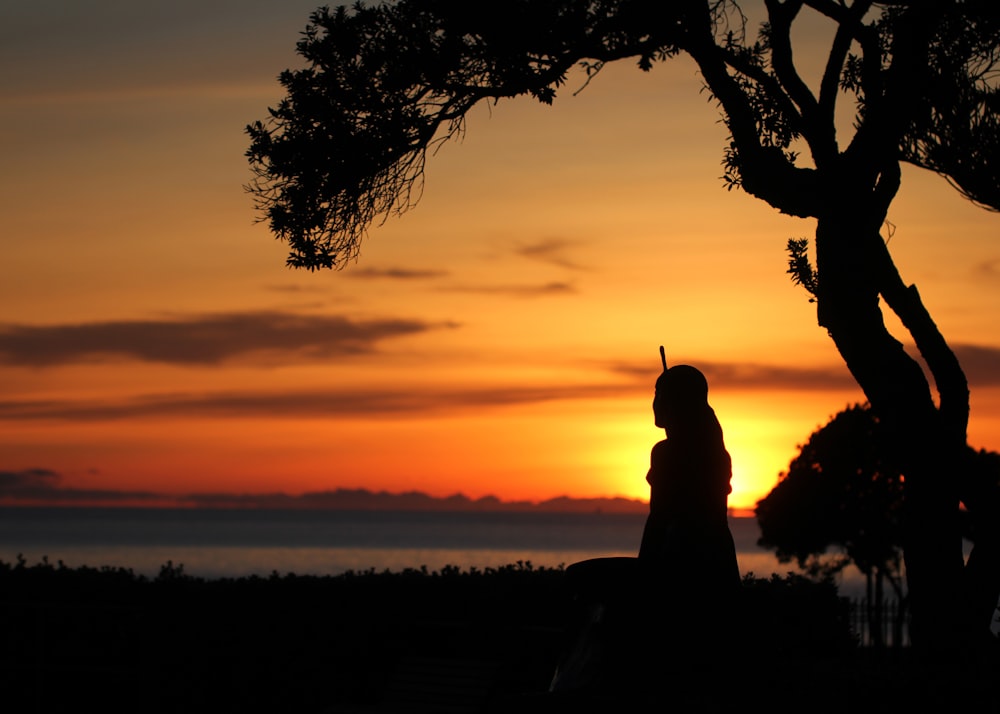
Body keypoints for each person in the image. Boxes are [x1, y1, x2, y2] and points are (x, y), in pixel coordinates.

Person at [638, 363, 741, 595]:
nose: (654, 402)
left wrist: (642, 573)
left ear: (677, 401)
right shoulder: (716, 452)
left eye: (659, 393)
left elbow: (658, 519)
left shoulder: (666, 452)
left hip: (679, 557)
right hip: (718, 557)